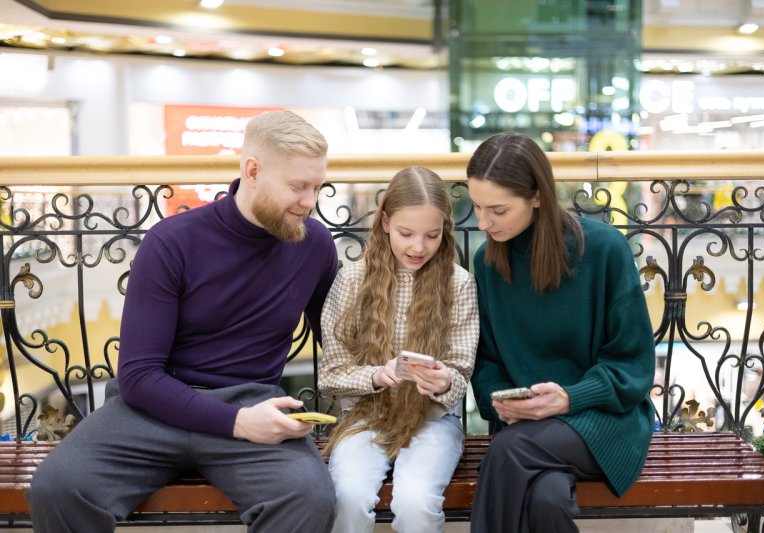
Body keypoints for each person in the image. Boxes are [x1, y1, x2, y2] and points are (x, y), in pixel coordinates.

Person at [27, 110, 339, 532]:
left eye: (317, 187)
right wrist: (236, 422)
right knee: (58, 487)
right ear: (252, 171)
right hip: (153, 409)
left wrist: (389, 369)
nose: (310, 201)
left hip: (251, 402)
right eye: (298, 187)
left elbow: (338, 342)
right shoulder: (171, 241)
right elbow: (138, 376)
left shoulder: (314, 243)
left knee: (308, 496)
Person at [466, 132, 655, 533]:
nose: (483, 222)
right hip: (527, 428)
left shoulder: (604, 249)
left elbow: (633, 366)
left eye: (498, 209)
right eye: (477, 206)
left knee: (508, 451)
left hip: (606, 420)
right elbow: (486, 364)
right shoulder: (486, 262)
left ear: (537, 195)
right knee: (546, 498)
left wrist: (569, 398)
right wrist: (503, 404)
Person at [318, 166, 479, 533]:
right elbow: (331, 372)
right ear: (386, 222)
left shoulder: (458, 283)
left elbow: (461, 369)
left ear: (445, 232)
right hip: (364, 418)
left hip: (434, 420)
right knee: (347, 497)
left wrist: (441, 382)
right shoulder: (353, 279)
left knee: (416, 503)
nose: (418, 247)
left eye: (432, 235)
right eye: (407, 233)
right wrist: (376, 374)